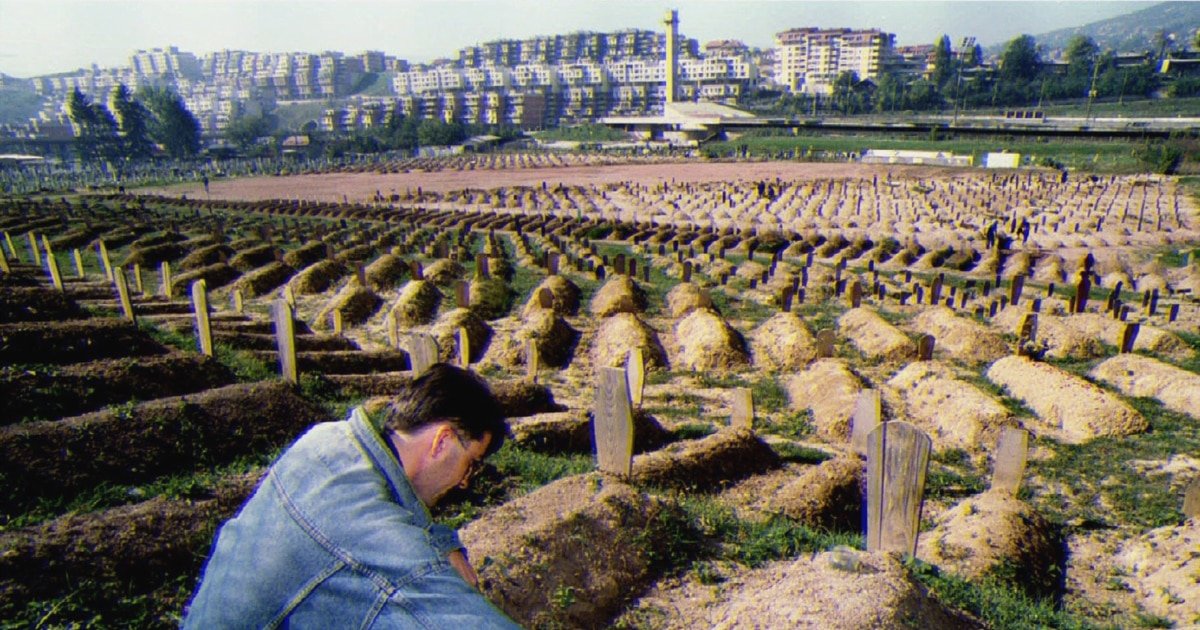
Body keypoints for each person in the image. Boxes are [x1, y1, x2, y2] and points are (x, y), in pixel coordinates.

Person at [182, 364, 521, 628]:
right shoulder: (377, 538)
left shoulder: (327, 440)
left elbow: (388, 511)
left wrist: (442, 542)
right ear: (442, 441)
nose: (464, 481)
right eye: (471, 464)